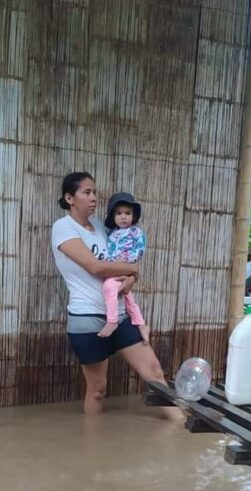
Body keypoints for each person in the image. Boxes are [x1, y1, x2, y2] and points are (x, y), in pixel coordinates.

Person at [50, 171, 177, 416]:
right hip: (87, 318)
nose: (94, 197)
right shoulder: (62, 227)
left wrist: (131, 277)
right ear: (69, 198)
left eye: (95, 192)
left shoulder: (101, 227)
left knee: (154, 373)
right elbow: (96, 267)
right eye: (87, 192)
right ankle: (92, 448)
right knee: (97, 389)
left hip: (119, 315)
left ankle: (181, 428)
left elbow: (122, 258)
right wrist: (133, 270)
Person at [98, 192, 149, 343]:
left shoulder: (136, 232)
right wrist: (112, 263)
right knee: (128, 299)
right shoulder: (112, 234)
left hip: (125, 267)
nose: (123, 217)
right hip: (115, 268)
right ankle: (141, 325)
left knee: (109, 287)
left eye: (128, 213)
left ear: (133, 216)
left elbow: (140, 248)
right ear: (113, 217)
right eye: (119, 213)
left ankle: (112, 320)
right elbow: (109, 251)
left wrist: (128, 261)